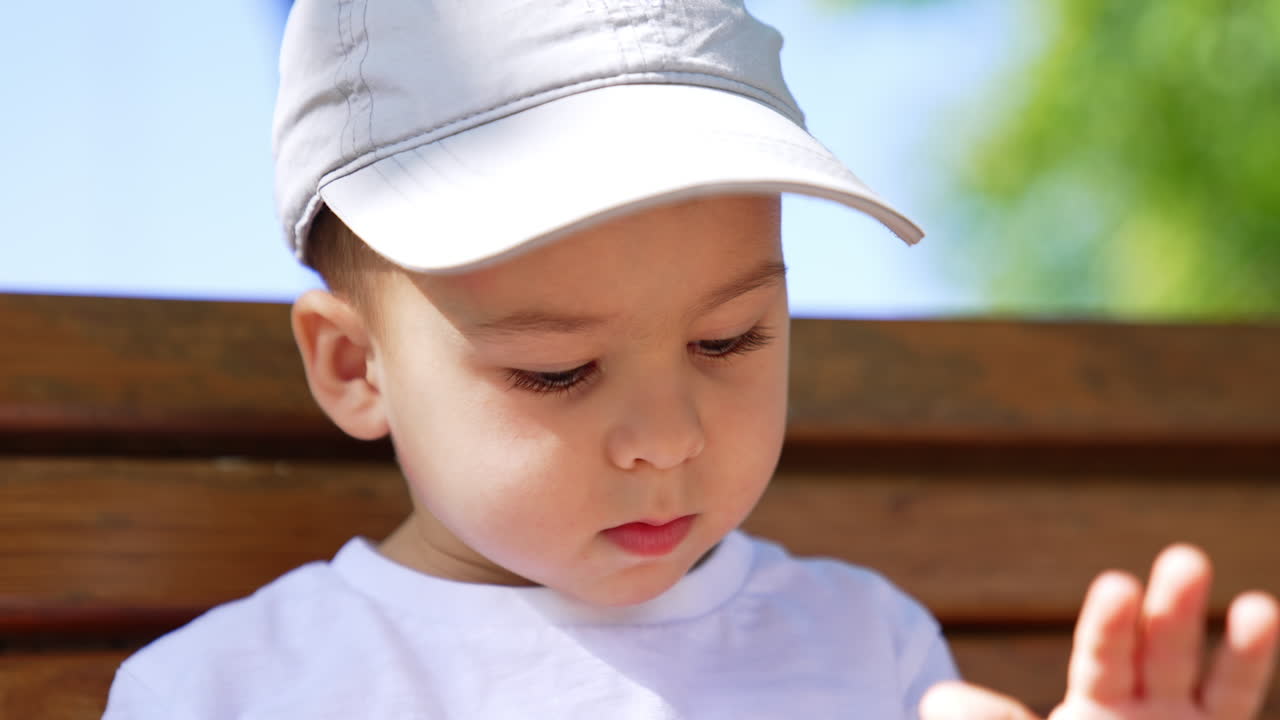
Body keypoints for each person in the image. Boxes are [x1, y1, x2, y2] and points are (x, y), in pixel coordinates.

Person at [103, 1, 1279, 718]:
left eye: (729, 340)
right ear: (355, 367)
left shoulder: (864, 647)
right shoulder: (231, 694)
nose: (666, 436)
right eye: (556, 371)